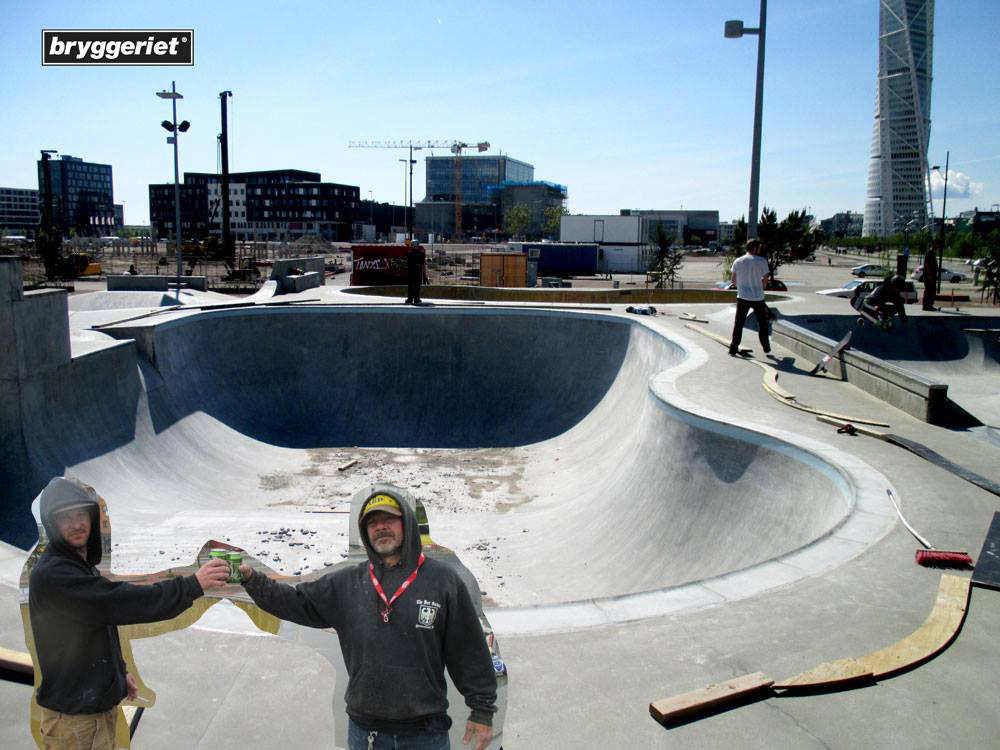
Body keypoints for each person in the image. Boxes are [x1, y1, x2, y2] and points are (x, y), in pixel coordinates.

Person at [240, 489, 497, 750]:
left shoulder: (442, 580)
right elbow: (297, 602)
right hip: (366, 733)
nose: (381, 527)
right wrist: (252, 580)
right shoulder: (347, 583)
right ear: (365, 532)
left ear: (407, 524)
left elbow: (468, 650)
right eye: (373, 523)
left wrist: (482, 710)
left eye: (389, 519)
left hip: (426, 734)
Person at [28, 476, 230, 750]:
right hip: (76, 723)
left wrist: (117, 676)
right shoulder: (56, 575)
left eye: (80, 514)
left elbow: (96, 626)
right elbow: (125, 602)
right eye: (65, 518)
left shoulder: (75, 564)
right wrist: (192, 584)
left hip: (92, 713)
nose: (76, 524)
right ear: (52, 524)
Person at [728, 239, 772, 356]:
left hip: (742, 297)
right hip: (758, 298)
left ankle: (733, 348)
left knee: (739, 324)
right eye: (759, 248)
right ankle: (766, 347)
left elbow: (733, 279)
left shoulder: (738, 261)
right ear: (755, 248)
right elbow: (765, 279)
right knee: (762, 324)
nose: (760, 250)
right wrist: (760, 288)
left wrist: (741, 288)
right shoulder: (762, 261)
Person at [922, 241, 939, 311]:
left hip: (932, 275)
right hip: (929, 275)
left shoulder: (933, 253)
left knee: (932, 291)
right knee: (929, 291)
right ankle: (927, 306)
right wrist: (929, 275)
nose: (937, 246)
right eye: (936, 244)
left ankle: (930, 305)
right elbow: (927, 265)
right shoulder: (929, 253)